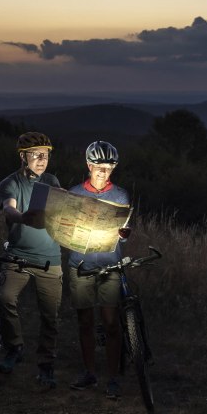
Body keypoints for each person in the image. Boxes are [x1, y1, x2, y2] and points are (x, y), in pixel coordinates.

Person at [0, 132, 63, 389]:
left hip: (50, 258)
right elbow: (9, 208)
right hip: (19, 255)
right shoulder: (10, 183)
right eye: (36, 155)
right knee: (5, 298)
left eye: (45, 155)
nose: (42, 160)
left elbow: (62, 203)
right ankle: (14, 347)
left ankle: (46, 365)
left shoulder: (50, 180)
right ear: (23, 157)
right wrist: (22, 218)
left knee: (50, 316)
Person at [68, 141, 130, 398]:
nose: (104, 173)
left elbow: (123, 235)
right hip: (80, 265)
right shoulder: (73, 194)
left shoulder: (120, 196)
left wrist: (124, 234)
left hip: (110, 266)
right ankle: (90, 372)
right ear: (89, 166)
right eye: (99, 168)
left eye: (109, 168)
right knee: (85, 321)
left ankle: (113, 377)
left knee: (110, 322)